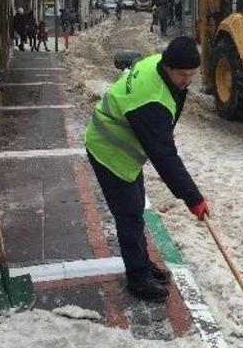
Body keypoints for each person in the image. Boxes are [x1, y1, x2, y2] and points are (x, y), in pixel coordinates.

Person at [84, 36, 209, 302]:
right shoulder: (152, 101)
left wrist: (162, 130)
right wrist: (194, 198)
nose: (187, 80)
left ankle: (142, 264)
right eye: (182, 74)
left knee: (136, 208)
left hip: (122, 145)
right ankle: (138, 280)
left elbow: (161, 126)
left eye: (192, 74)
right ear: (168, 67)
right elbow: (165, 158)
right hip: (110, 151)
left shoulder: (156, 62)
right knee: (129, 215)